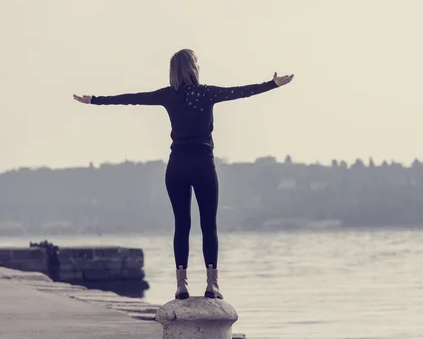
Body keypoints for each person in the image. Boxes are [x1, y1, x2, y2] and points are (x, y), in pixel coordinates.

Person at [73, 49, 294, 300]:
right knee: (208, 225)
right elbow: (241, 91)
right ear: (193, 68)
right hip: (202, 166)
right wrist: (272, 84)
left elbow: (132, 98)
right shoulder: (206, 93)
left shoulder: (169, 95)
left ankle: (181, 285)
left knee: (182, 225)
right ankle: (212, 285)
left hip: (176, 167)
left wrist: (95, 100)